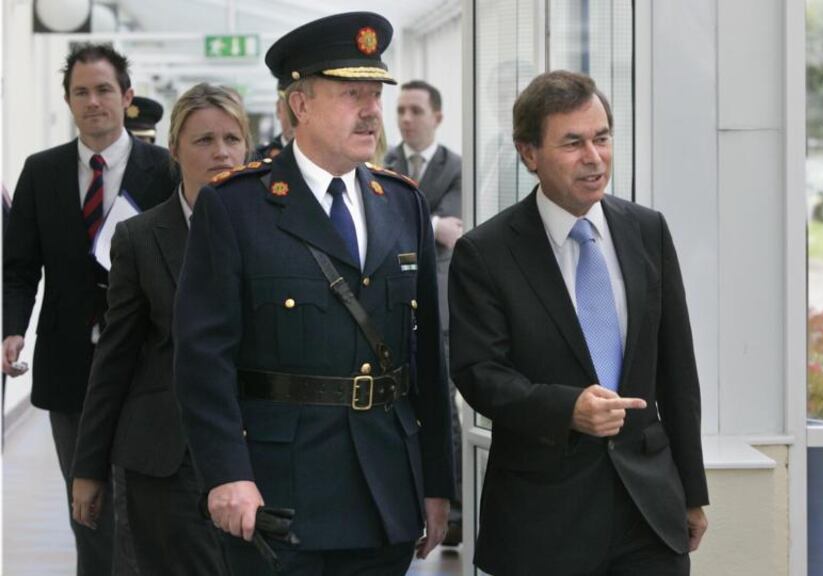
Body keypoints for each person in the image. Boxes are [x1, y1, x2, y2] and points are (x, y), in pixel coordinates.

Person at [173, 12, 455, 575]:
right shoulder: (236, 207)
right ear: (300, 104)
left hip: (384, 491)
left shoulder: (403, 204)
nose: (373, 110)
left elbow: (427, 357)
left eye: (375, 93)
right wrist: (228, 474)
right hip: (280, 494)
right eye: (353, 93)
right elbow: (203, 359)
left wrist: (437, 482)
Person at [449, 70, 710, 575]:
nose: (594, 157)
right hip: (543, 520)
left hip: (648, 512)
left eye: (602, 138)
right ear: (529, 154)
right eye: (573, 143)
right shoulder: (486, 253)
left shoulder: (647, 230)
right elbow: (479, 373)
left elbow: (678, 372)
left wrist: (691, 493)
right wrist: (568, 408)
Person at [2, 43, 175, 575]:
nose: (93, 101)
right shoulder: (42, 172)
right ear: (68, 101)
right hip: (69, 363)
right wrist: (12, 330)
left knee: (139, 501)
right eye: (81, 92)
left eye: (103, 90)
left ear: (125, 97)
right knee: (87, 505)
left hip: (145, 364)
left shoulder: (164, 169)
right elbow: (19, 265)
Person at [70, 83, 248, 576]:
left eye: (232, 139)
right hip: (165, 457)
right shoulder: (141, 238)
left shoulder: (272, 233)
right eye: (204, 140)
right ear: (174, 150)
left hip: (255, 449)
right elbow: (115, 358)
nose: (221, 153)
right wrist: (88, 468)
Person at [383, 79, 464, 544]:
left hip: (439, 306)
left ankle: (449, 509)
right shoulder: (386, 162)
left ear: (437, 116)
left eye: (415, 110)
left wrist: (422, 224)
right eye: (401, 110)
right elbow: (421, 226)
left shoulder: (456, 167)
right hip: (395, 304)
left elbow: (454, 232)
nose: (406, 119)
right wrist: (430, 223)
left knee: (442, 407)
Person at [255, 78, 294, 160]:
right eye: (291, 108)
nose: (299, 117)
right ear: (278, 109)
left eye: (304, 108)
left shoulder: (326, 158)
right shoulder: (256, 159)